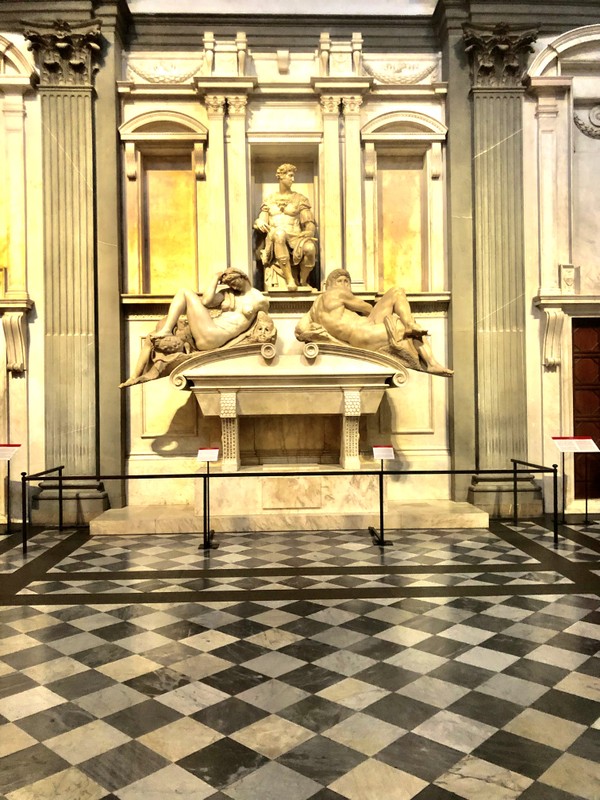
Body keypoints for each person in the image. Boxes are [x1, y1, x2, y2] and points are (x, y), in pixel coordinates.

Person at [120, 269, 269, 387]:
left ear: (243, 277)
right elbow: (206, 301)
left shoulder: (259, 300)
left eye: (234, 282)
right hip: (208, 331)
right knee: (152, 337)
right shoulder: (229, 294)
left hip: (215, 335)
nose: (233, 286)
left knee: (184, 292)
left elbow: (264, 323)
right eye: (230, 284)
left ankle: (167, 329)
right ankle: (134, 376)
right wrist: (215, 278)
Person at [295, 268, 453, 376]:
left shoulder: (312, 310)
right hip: (364, 332)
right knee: (399, 313)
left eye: (346, 281)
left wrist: (321, 334)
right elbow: (367, 308)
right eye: (340, 281)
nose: (344, 285)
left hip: (362, 332)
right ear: (328, 286)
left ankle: (410, 325)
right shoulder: (337, 293)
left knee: (398, 299)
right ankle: (430, 361)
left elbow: (300, 330)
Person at [254, 163, 318, 291]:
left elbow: (309, 222)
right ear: (281, 176)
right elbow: (261, 220)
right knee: (280, 234)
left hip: (296, 237)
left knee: (310, 248)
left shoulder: (300, 199)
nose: (293, 179)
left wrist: (310, 232)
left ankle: (303, 281)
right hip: (275, 236)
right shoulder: (269, 199)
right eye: (290, 176)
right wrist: (258, 222)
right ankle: (290, 280)